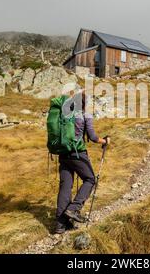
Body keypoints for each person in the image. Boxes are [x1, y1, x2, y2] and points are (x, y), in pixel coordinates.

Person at [55, 92, 110, 234]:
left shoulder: (65, 114)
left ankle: (60, 225)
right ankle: (73, 209)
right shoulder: (85, 114)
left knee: (65, 186)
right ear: (85, 103)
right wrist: (105, 141)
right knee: (90, 179)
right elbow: (92, 137)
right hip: (77, 153)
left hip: (63, 154)